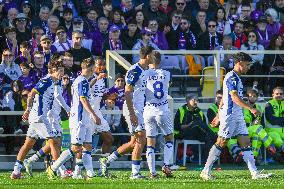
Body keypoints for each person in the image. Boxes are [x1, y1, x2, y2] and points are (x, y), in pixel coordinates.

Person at [200, 52, 272, 180]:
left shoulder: (236, 77)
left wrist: (217, 114)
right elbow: (234, 97)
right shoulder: (231, 77)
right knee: (221, 142)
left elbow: (224, 98)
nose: (248, 68)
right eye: (247, 65)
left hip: (237, 115)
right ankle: (205, 171)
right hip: (230, 116)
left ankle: (254, 173)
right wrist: (251, 108)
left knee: (246, 143)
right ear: (240, 63)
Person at [99, 46, 154, 179]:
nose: (153, 57)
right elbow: (127, 92)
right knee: (142, 139)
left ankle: (107, 161)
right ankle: (135, 173)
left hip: (138, 109)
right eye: (152, 55)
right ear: (147, 56)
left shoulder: (144, 70)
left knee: (134, 142)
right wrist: (132, 113)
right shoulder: (135, 70)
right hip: (133, 109)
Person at [47, 58, 101, 179]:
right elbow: (83, 99)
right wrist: (93, 114)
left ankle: (89, 173)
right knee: (76, 148)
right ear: (92, 68)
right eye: (94, 68)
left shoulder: (81, 80)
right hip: (79, 119)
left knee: (87, 146)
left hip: (84, 118)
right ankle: (54, 168)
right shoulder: (81, 81)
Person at [10, 59, 65, 179]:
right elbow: (31, 94)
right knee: (54, 142)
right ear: (53, 71)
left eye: (63, 71)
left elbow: (57, 96)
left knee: (28, 144)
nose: (62, 74)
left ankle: (16, 171)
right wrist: (28, 109)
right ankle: (61, 170)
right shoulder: (46, 80)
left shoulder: (56, 82)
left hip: (40, 118)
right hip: (39, 117)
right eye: (59, 71)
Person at [143, 51, 174, 178]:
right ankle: (166, 165)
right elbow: (169, 85)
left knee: (150, 142)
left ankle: (152, 172)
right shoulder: (167, 74)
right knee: (169, 137)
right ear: (160, 61)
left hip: (149, 110)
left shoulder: (145, 74)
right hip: (162, 110)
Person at [264, 87, 284, 157]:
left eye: (281, 94)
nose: (279, 95)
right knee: (278, 140)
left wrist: (279, 119)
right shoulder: (269, 104)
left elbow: (276, 119)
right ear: (273, 95)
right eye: (277, 94)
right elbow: (272, 120)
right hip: (272, 131)